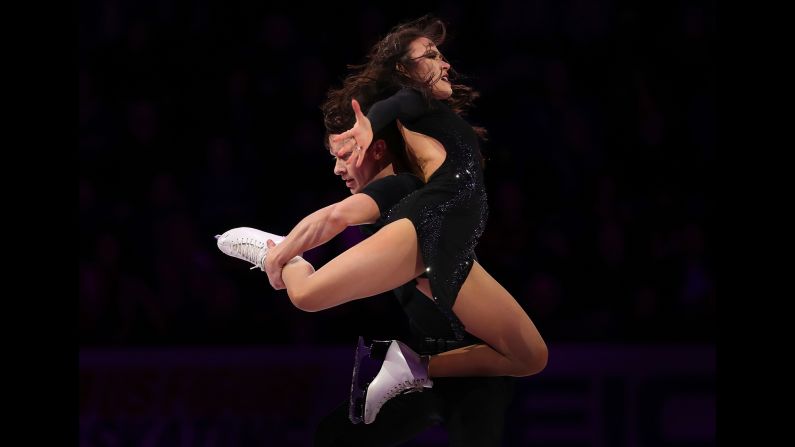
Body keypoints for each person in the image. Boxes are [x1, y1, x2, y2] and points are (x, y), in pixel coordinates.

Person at [217, 15, 547, 426]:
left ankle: (411, 367)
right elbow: (397, 106)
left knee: (530, 356)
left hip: (453, 249)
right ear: (406, 72)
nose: (444, 63)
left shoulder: (432, 130)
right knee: (305, 295)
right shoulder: (414, 100)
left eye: (441, 55)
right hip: (433, 226)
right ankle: (277, 251)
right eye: (430, 55)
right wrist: (369, 124)